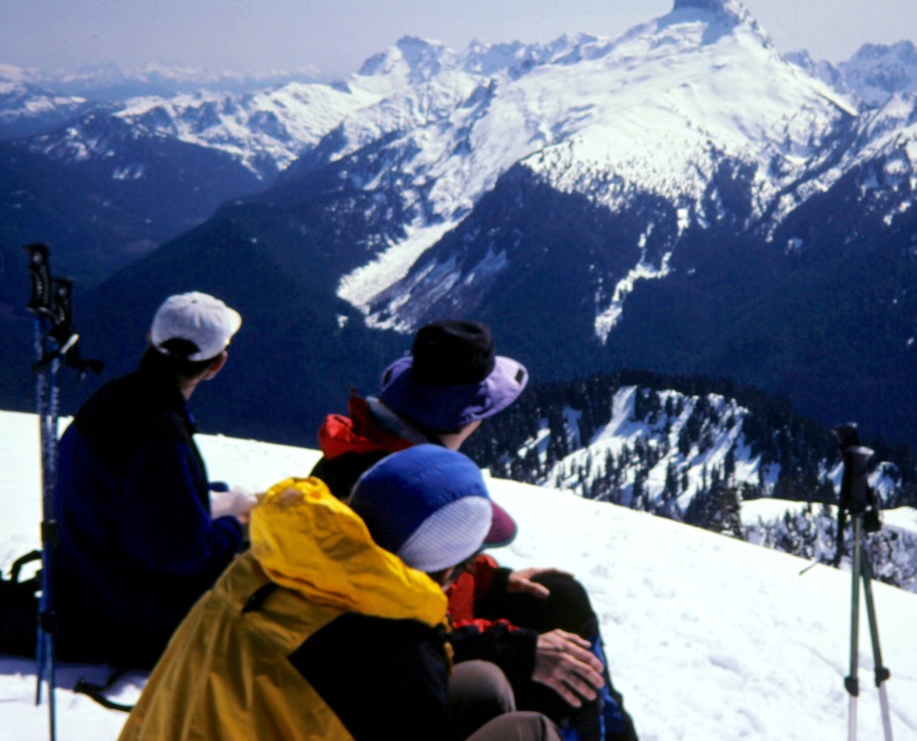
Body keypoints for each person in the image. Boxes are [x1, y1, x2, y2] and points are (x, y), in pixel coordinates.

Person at [312, 320, 638, 741]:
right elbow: (391, 630)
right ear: (467, 419)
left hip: (425, 625)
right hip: (400, 650)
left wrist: (489, 578)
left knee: (558, 596)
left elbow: (424, 568)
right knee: (560, 666)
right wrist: (519, 649)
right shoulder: (383, 487)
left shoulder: (372, 456)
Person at [118, 445, 560, 741]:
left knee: (481, 683)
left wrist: (503, 648)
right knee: (532, 731)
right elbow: (386, 674)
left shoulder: (271, 564)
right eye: (465, 565)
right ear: (443, 569)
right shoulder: (393, 656)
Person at [50, 291, 254, 669]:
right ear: (217, 364)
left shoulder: (112, 397)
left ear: (150, 337)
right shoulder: (160, 438)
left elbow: (139, 500)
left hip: (80, 579)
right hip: (125, 610)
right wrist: (239, 528)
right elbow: (177, 554)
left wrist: (211, 503)